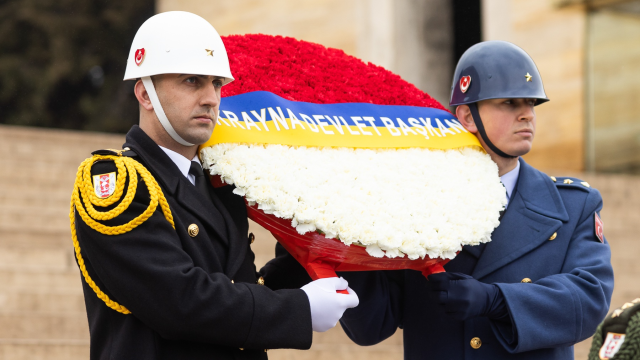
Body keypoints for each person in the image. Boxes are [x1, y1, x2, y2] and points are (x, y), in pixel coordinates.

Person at [70, 11, 358, 360]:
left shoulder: (219, 184)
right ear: (145, 94)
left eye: (216, 83)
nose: (211, 98)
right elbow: (179, 301)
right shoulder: (116, 186)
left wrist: (310, 252)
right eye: (192, 81)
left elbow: (241, 289)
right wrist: (299, 308)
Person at [336, 41, 614, 359]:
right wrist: (340, 241)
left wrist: (496, 300)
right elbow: (371, 325)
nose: (527, 115)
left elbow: (589, 300)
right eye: (510, 102)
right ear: (467, 117)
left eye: (531, 103)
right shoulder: (415, 202)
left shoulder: (575, 204)